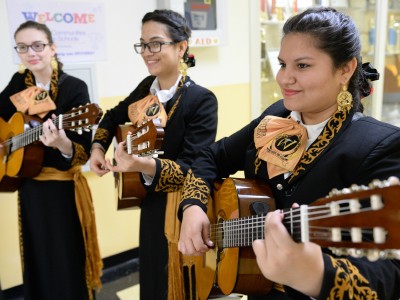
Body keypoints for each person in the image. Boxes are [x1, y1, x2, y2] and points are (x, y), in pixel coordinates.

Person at [178, 7, 400, 300]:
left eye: (303, 66)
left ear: (345, 69)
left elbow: (391, 273)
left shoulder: (380, 145)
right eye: (283, 64)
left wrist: (318, 275)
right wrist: (193, 206)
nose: (285, 78)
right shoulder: (277, 116)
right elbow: (212, 156)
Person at [90, 9, 218, 300]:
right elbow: (111, 117)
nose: (147, 52)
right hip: (149, 205)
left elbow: (192, 167)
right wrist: (98, 148)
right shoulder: (144, 90)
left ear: (181, 47)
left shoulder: (201, 100)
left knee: (175, 284)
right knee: (150, 277)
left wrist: (141, 164)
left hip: (181, 209)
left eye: (156, 43)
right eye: (143, 44)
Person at [0, 21, 102, 300]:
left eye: (37, 45)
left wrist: (62, 143)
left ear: (52, 48)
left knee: (66, 258)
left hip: (62, 191)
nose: (30, 52)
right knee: (37, 257)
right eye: (22, 47)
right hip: (29, 187)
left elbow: (80, 150)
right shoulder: (20, 82)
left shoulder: (73, 88)